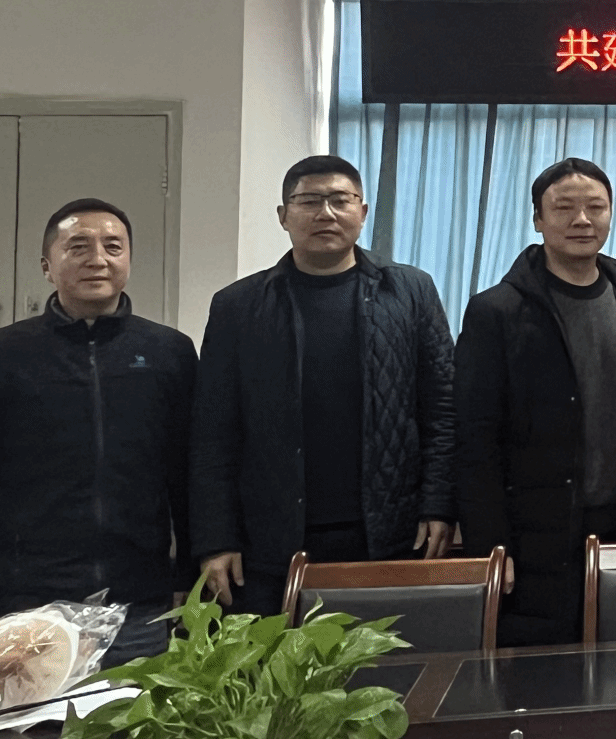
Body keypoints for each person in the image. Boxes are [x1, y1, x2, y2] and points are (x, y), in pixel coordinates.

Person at [0, 199, 197, 665]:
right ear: (47, 266)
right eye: (78, 247)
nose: (98, 259)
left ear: (129, 260)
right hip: (25, 603)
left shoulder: (168, 353)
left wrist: (188, 577)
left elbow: (189, 475)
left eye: (113, 246)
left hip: (140, 603)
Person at [190, 155, 458, 615]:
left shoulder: (410, 292)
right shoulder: (239, 305)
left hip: (388, 535)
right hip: (270, 542)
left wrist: (438, 505)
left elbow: (443, 410)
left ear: (363, 212)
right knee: (274, 661)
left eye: (340, 200)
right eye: (309, 201)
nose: (326, 213)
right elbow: (213, 431)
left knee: (384, 659)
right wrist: (216, 538)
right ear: (283, 215)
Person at [455, 158, 616, 645]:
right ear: (537, 219)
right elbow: (475, 440)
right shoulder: (496, 311)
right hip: (536, 537)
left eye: (595, 207)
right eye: (564, 208)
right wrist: (492, 546)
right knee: (543, 672)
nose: (582, 220)